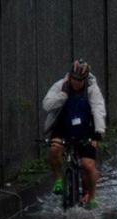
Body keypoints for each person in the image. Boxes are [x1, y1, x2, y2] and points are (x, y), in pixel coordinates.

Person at [42, 59, 106, 209]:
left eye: (80, 80)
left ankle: (92, 197)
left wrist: (99, 132)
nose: (76, 83)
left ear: (85, 79)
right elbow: (47, 105)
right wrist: (62, 95)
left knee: (88, 165)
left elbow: (98, 109)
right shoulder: (60, 86)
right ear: (70, 76)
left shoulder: (92, 89)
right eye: (74, 79)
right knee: (54, 149)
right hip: (63, 127)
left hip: (85, 128)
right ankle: (58, 179)